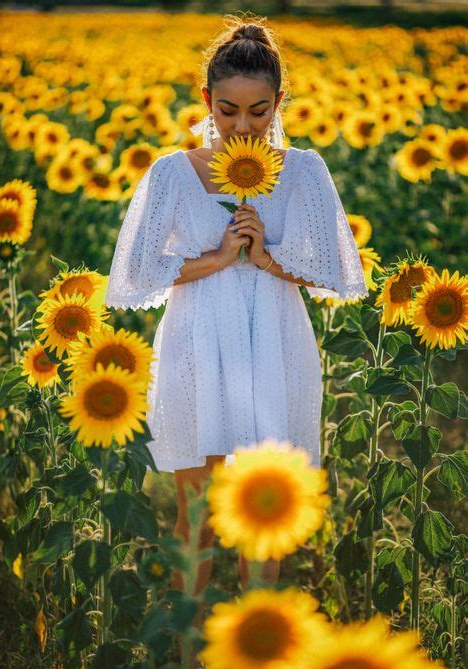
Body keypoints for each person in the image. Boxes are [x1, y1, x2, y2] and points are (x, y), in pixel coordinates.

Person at [104, 17, 368, 600]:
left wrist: (270, 260)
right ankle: (189, 664)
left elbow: (335, 271)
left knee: (264, 517)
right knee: (194, 515)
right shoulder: (173, 173)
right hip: (198, 344)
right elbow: (136, 275)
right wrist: (221, 257)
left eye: (258, 111)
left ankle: (257, 667)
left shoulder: (304, 171)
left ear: (279, 102)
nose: (242, 126)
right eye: (227, 111)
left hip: (275, 344)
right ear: (207, 101)